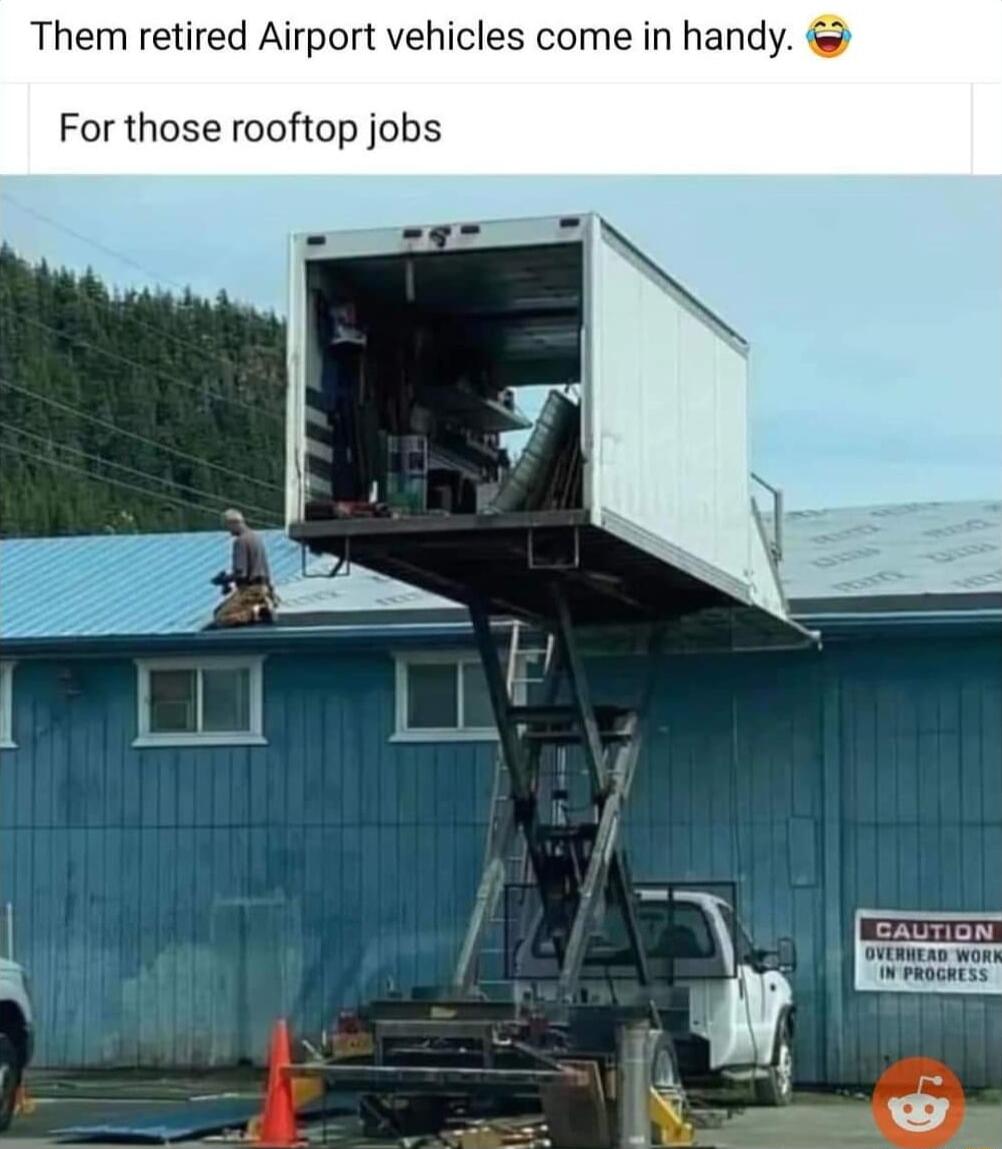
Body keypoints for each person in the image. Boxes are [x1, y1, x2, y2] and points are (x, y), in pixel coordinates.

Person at [211, 509, 277, 627]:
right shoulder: (256, 537)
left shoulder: (240, 541)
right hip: (264, 587)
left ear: (233, 523)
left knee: (220, 617)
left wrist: (224, 580)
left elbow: (241, 573)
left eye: (227, 526)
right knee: (221, 610)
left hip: (250, 590)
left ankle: (257, 612)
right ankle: (261, 606)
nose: (228, 531)